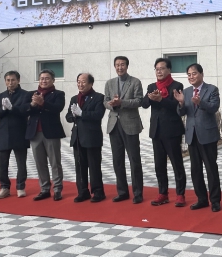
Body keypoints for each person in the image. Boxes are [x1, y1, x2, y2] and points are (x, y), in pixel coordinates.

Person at [141, 58, 187, 207]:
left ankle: (180, 194)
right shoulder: (152, 86)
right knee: (159, 164)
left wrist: (161, 99)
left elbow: (175, 106)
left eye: (162, 68)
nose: (159, 71)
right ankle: (163, 193)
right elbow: (144, 104)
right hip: (157, 130)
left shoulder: (177, 85)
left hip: (172, 130)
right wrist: (151, 97)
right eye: (157, 69)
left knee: (176, 163)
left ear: (169, 70)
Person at [176, 63, 222, 212]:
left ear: (201, 74)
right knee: (195, 170)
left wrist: (200, 102)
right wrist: (181, 103)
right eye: (189, 75)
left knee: (211, 169)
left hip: (207, 135)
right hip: (192, 135)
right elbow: (181, 113)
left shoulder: (212, 89)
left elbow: (214, 108)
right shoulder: (186, 91)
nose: (191, 77)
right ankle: (201, 199)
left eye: (194, 73)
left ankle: (215, 201)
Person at [104, 56, 144, 204]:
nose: (119, 67)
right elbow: (105, 101)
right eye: (117, 65)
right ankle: (122, 192)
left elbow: (139, 101)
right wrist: (112, 104)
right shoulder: (109, 83)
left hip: (130, 124)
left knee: (134, 160)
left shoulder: (135, 82)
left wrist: (122, 102)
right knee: (117, 160)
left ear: (127, 66)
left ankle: (138, 193)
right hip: (114, 124)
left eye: (122, 65)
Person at [22, 69, 66, 201]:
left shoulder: (58, 94)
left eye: (47, 78)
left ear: (53, 80)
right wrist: (32, 104)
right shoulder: (31, 94)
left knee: (55, 162)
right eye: (41, 78)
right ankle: (44, 189)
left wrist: (43, 103)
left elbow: (57, 108)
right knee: (40, 163)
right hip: (35, 132)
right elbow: (23, 110)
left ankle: (57, 189)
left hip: (51, 132)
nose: (44, 81)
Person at [66, 73, 106, 203]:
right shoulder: (74, 98)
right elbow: (68, 116)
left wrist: (82, 113)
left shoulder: (99, 97)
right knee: (80, 167)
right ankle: (83, 192)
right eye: (78, 82)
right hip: (78, 137)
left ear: (90, 83)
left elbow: (98, 114)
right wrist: (73, 115)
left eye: (83, 82)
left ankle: (98, 192)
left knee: (94, 166)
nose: (80, 84)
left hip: (92, 136)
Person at [0, 70, 30, 199]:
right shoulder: (1, 96)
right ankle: (4, 187)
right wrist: (3, 109)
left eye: (13, 80)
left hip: (20, 131)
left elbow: (26, 111)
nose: (10, 83)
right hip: (4, 132)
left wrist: (12, 108)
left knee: (21, 163)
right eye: (8, 80)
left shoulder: (25, 95)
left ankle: (20, 186)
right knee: (2, 163)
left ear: (18, 80)